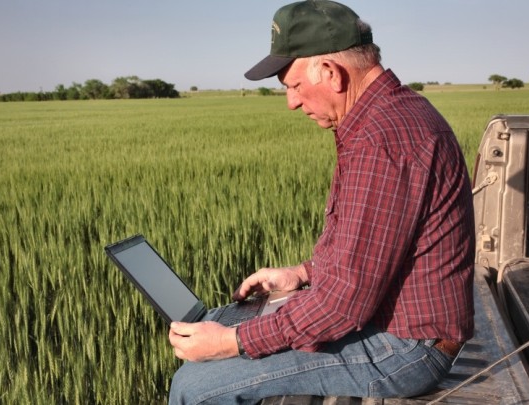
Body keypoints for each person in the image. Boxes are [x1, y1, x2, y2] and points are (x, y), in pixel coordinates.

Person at [168, 0, 475, 403]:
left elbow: (342, 305)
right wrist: (301, 273)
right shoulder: (384, 117)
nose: (291, 102)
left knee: (194, 386)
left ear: (330, 73)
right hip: (399, 328)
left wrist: (233, 341)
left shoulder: (384, 139)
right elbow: (373, 250)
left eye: (293, 86)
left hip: (405, 348)